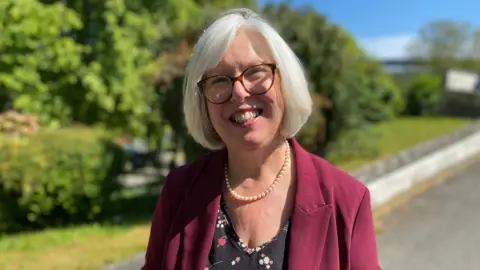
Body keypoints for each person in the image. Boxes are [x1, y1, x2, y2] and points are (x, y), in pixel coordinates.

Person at [142, 8, 380, 270]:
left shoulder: (346, 200)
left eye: (255, 72)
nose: (239, 93)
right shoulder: (179, 191)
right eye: (219, 80)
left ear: (285, 82)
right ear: (203, 102)